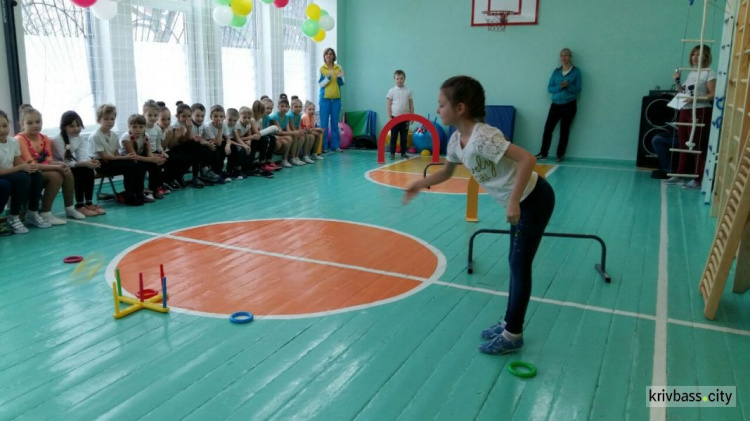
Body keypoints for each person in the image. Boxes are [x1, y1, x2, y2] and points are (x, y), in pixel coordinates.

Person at [404, 76, 555, 354]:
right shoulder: (455, 142)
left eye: (441, 104)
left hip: (534, 200)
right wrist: (418, 183)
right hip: (522, 202)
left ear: (459, 108)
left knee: (520, 265)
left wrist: (513, 201)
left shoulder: (484, 137)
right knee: (515, 262)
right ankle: (510, 322)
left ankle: (513, 334)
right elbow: (446, 172)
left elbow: (527, 159)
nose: (437, 110)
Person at [17, 107, 83, 223]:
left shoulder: (45, 138)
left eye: (38, 122)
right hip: (28, 173)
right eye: (30, 123)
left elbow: (48, 160)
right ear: (22, 124)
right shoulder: (20, 139)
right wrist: (56, 167)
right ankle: (46, 213)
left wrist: (60, 164)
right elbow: (32, 165)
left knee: (66, 170)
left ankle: (70, 208)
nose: (35, 125)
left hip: (42, 170)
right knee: (55, 175)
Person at [666, 45, 716, 190]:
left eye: (699, 54)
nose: (695, 57)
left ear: (706, 57)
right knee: (683, 144)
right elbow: (685, 91)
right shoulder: (691, 73)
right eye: (693, 54)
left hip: (700, 110)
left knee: (697, 144)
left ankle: (699, 179)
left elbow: (713, 94)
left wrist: (696, 99)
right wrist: (677, 82)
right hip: (686, 110)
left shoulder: (709, 73)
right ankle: (680, 174)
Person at [0, 110, 49, 234]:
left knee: (35, 174)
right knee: (22, 178)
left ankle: (32, 213)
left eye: (5, 126)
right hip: (2, 176)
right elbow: (15, 169)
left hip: (10, 173)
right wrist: (20, 168)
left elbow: (18, 164)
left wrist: (28, 167)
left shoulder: (13, 142)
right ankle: (14, 217)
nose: (2, 130)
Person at [91, 104, 146, 206]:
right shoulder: (95, 136)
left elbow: (116, 153)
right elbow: (104, 157)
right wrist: (125, 158)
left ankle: (139, 193)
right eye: (106, 119)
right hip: (101, 164)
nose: (110, 121)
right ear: (99, 120)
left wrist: (124, 159)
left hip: (112, 161)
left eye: (112, 119)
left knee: (139, 166)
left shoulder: (113, 135)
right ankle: (129, 196)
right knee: (130, 166)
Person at [52, 111, 105, 216]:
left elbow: (81, 157)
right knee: (79, 172)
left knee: (88, 169)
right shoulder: (58, 139)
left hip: (68, 164)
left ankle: (89, 203)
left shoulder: (80, 138)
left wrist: (91, 162)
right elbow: (66, 161)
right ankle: (79, 205)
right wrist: (85, 163)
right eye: (72, 126)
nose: (76, 129)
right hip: (56, 165)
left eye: (78, 125)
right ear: (64, 127)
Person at [537, 48, 582, 163]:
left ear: (570, 57)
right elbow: (550, 88)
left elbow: (578, 89)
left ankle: (560, 154)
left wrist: (568, 86)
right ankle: (543, 153)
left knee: (564, 130)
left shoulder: (576, 72)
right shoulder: (556, 72)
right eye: (561, 55)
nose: (563, 57)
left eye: (566, 55)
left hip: (569, 105)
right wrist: (560, 87)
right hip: (555, 105)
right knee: (548, 129)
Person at [318, 48, 345, 153]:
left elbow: (342, 83)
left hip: (336, 100)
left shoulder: (339, 68)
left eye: (330, 54)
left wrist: (339, 77)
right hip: (324, 99)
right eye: (326, 54)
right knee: (324, 124)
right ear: (324, 56)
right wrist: (328, 77)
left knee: (335, 123)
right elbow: (321, 84)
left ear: (334, 56)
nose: (328, 56)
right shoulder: (321, 69)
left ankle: (335, 145)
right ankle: (323, 147)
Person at [387, 69, 414, 160]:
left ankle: (403, 153)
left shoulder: (408, 91)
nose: (399, 80)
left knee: (404, 137)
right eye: (397, 78)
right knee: (393, 137)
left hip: (405, 118)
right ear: (394, 79)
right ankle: (392, 153)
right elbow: (389, 104)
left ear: (404, 79)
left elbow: (411, 104)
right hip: (394, 117)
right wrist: (389, 116)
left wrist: (412, 117)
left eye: (401, 78)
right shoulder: (391, 91)